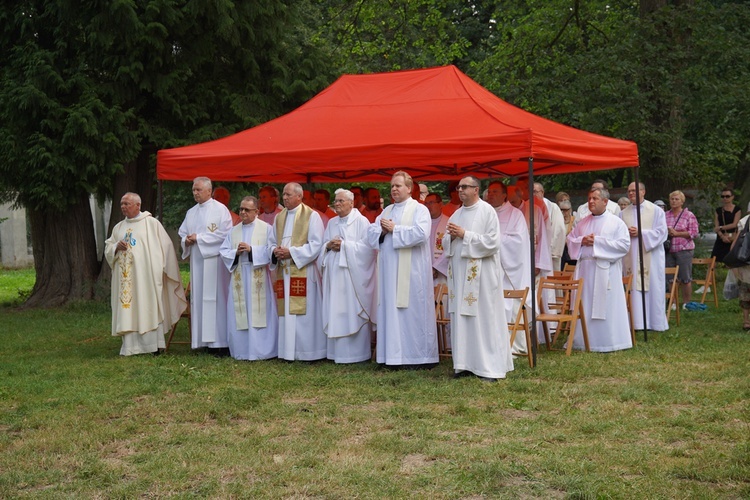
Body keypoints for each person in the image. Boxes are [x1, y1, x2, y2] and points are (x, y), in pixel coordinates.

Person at [443, 176, 514, 381]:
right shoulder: (456, 213)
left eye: (465, 187)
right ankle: (464, 364)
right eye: (459, 187)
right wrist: (452, 237)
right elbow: (446, 242)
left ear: (476, 190)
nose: (461, 190)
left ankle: (489, 367)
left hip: (481, 277)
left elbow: (493, 243)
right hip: (460, 275)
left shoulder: (487, 211)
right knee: (463, 320)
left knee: (483, 318)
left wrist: (465, 234)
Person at [366, 171, 438, 368]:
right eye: (392, 186)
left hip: (412, 273)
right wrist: (382, 230)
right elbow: (371, 232)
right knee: (391, 310)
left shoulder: (419, 210)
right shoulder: (386, 210)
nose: (394, 189)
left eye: (398, 186)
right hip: (389, 272)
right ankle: (391, 356)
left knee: (411, 311)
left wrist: (395, 229)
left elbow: (421, 234)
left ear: (409, 188)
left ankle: (417, 357)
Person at [105, 193, 187, 356]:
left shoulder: (151, 224)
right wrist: (115, 248)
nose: (123, 207)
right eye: (122, 204)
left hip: (146, 278)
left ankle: (154, 346)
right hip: (126, 279)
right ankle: (130, 347)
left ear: (138, 205)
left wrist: (161, 268)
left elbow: (166, 247)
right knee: (129, 310)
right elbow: (109, 246)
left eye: (127, 203)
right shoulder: (119, 227)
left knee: (148, 308)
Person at [566, 187, 632, 352]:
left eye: (595, 198)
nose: (591, 201)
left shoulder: (616, 222)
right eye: (589, 198)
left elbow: (624, 245)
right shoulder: (583, 222)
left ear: (605, 201)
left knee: (606, 305)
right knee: (585, 304)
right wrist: (582, 240)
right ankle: (582, 340)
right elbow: (570, 240)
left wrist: (597, 242)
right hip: (585, 270)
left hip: (605, 270)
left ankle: (608, 342)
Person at [318, 189, 377, 363]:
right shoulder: (332, 222)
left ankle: (356, 355)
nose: (337, 204)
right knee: (335, 310)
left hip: (352, 278)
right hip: (334, 274)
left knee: (351, 311)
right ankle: (335, 354)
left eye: (341, 201)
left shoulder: (361, 221)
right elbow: (322, 246)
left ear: (352, 203)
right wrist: (329, 246)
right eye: (336, 201)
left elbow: (368, 250)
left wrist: (344, 246)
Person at [270, 182, 326, 361]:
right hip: (284, 272)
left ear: (299, 196)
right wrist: (275, 251)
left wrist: (291, 253)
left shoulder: (312, 216)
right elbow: (271, 241)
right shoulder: (279, 217)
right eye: (284, 195)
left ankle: (307, 353)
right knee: (286, 312)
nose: (284, 198)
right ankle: (287, 352)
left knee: (304, 314)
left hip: (303, 272)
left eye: (288, 195)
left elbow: (316, 245)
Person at [219, 196, 278, 360]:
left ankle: (263, 351)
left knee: (259, 313)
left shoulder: (266, 229)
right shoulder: (234, 230)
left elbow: (271, 250)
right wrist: (235, 253)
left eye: (247, 210)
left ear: (256, 212)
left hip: (257, 275)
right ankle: (242, 351)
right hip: (239, 275)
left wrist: (252, 250)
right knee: (240, 313)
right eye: (241, 209)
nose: (243, 212)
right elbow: (223, 251)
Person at [179, 177, 233, 353]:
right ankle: (202, 342)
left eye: (199, 190)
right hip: (197, 260)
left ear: (209, 191)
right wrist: (185, 240)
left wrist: (199, 238)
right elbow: (182, 233)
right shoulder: (191, 212)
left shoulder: (220, 210)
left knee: (216, 299)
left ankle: (220, 343)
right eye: (194, 190)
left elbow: (226, 234)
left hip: (215, 262)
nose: (195, 193)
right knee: (200, 300)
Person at [486, 181, 532, 356]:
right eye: (489, 191)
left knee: (509, 307)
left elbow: (518, 242)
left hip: (508, 272)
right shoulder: (485, 212)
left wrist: (492, 240)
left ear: (505, 195)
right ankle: (492, 346)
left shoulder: (515, 215)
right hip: (489, 268)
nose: (491, 195)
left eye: (495, 191)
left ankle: (513, 346)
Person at [620, 182, 669, 331]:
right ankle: (636, 323)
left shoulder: (656, 211)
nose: (631, 194)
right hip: (631, 257)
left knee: (653, 287)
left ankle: (655, 322)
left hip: (651, 257)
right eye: (629, 191)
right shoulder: (623, 213)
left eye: (634, 191)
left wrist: (641, 232)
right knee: (634, 288)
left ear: (643, 191)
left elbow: (662, 233)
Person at [664, 190, 700, 309]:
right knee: (670, 277)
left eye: (676, 199)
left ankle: (686, 303)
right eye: (672, 199)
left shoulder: (689, 215)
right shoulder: (665, 215)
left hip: (684, 249)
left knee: (685, 277)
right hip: (669, 250)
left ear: (682, 201)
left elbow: (694, 233)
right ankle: (673, 302)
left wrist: (678, 234)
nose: (674, 201)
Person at [534, 182, 566, 272]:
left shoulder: (552, 207)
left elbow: (559, 229)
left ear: (542, 193)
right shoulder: (528, 206)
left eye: (535, 191)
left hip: (548, 252)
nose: (533, 194)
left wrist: (551, 251)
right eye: (531, 192)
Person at [730, 213, 750, 330]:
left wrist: (732, 259)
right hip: (745, 262)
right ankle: (747, 321)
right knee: (745, 289)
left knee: (745, 290)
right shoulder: (744, 221)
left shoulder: (744, 220)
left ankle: (746, 321)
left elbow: (736, 242)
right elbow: (737, 241)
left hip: (744, 260)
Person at [711, 188, 742, 264]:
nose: (725, 198)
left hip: (732, 236)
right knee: (714, 260)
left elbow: (735, 224)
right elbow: (716, 226)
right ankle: (711, 275)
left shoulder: (737, 209)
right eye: (723, 196)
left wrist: (721, 228)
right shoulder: (718, 210)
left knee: (732, 261)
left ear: (732, 197)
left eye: (727, 196)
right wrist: (722, 236)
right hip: (721, 237)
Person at [425, 193, 449, 285]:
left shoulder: (449, 223)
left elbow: (450, 248)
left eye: (431, 203)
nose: (428, 206)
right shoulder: (422, 224)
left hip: (441, 273)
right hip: (424, 270)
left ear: (440, 204)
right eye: (426, 204)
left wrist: (436, 268)